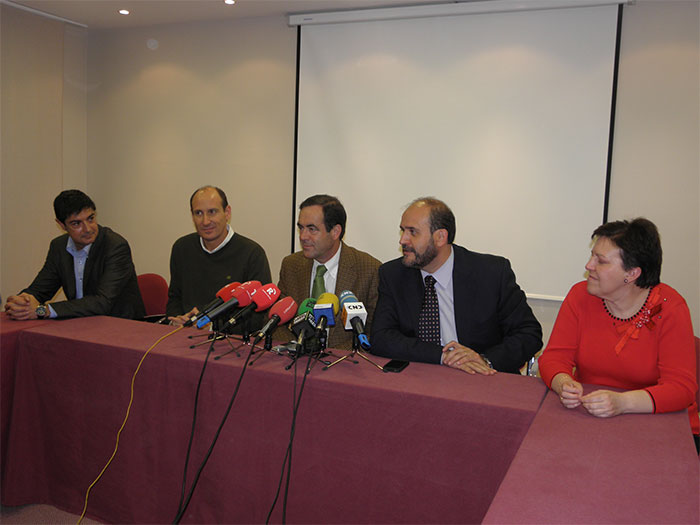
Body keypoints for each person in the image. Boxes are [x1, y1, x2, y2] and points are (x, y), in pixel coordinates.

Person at [538, 218, 699, 451]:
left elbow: (681, 389)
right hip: (590, 418)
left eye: (601, 261)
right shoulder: (580, 296)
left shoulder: (670, 308)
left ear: (632, 273)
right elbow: (553, 358)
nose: (589, 265)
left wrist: (623, 403)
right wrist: (563, 383)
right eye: (592, 256)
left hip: (660, 426)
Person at [371, 197, 542, 374]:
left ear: (440, 237)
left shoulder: (491, 273)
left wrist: (484, 360)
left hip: (481, 378)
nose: (403, 240)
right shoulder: (393, 275)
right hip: (420, 376)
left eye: (412, 232)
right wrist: (442, 356)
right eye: (403, 231)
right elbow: (381, 338)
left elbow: (529, 334)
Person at [4, 189, 145, 320]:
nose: (88, 229)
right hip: (79, 324)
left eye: (90, 218)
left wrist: (42, 310)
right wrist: (21, 302)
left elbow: (102, 303)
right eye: (76, 223)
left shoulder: (115, 246)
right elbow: (40, 289)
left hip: (120, 326)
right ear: (61, 225)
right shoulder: (59, 247)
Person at [274, 194, 381, 350]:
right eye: (301, 228)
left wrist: (332, 356)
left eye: (312, 229)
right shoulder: (291, 265)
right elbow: (278, 322)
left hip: (343, 360)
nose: (303, 236)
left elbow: (374, 332)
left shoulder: (369, 269)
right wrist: (296, 348)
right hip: (296, 358)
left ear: (335, 231)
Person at [166, 186, 271, 327]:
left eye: (212, 212)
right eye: (198, 213)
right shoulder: (182, 248)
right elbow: (174, 298)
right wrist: (177, 320)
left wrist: (210, 327)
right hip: (183, 334)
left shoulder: (252, 254)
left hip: (229, 338)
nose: (205, 221)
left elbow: (258, 316)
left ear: (227, 213)